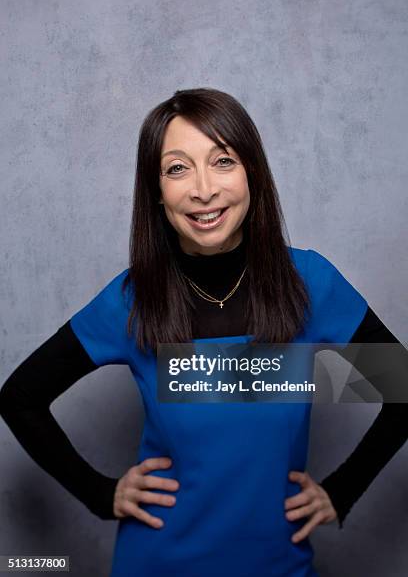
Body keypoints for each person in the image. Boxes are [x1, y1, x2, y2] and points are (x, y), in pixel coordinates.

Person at [1, 87, 407, 577]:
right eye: (177, 168)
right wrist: (99, 493)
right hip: (156, 563)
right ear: (157, 191)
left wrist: (344, 489)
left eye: (222, 161)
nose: (203, 189)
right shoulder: (132, 301)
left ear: (251, 172)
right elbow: (20, 397)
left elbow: (400, 390)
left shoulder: (309, 285)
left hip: (280, 565)